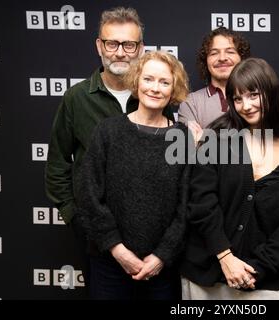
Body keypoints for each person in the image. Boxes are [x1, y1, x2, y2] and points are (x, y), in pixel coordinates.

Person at [180, 58, 279, 300]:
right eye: (237, 99)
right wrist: (225, 257)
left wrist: (255, 271)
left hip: (262, 282)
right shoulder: (217, 136)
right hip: (207, 275)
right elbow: (202, 203)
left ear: (271, 92)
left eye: (253, 95)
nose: (246, 105)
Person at [74, 50, 190, 300]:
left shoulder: (181, 138)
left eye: (164, 82)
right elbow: (89, 194)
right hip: (109, 264)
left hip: (161, 268)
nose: (155, 88)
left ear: (174, 89)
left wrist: (161, 256)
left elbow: (186, 205)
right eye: (148, 79)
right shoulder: (108, 131)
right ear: (136, 81)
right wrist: (118, 250)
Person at [44, 7, 145, 288]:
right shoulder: (76, 99)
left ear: (140, 48)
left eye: (129, 44)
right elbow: (57, 163)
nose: (120, 52)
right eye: (112, 43)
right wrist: (74, 217)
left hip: (150, 236)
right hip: (96, 234)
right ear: (99, 45)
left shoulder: (155, 95)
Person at [178, 27, 251, 141]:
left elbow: (260, 143)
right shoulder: (191, 103)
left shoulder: (256, 99)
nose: (222, 58)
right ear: (205, 60)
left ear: (241, 58)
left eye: (230, 52)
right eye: (214, 53)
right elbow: (189, 148)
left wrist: (204, 136)